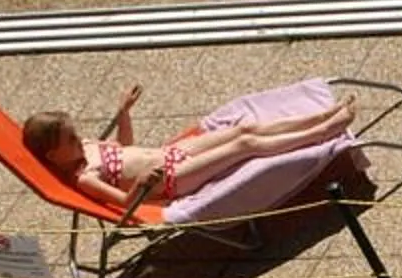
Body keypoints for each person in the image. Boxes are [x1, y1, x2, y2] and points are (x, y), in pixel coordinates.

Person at [21, 84, 357, 216]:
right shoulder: (84, 178)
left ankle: (322, 115)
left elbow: (125, 149)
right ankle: (324, 132)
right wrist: (142, 183)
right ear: (53, 156)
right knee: (245, 145)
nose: (79, 140)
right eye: (70, 140)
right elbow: (124, 205)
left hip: (171, 153)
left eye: (75, 134)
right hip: (171, 179)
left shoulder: (88, 148)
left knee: (241, 128)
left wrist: (123, 113)